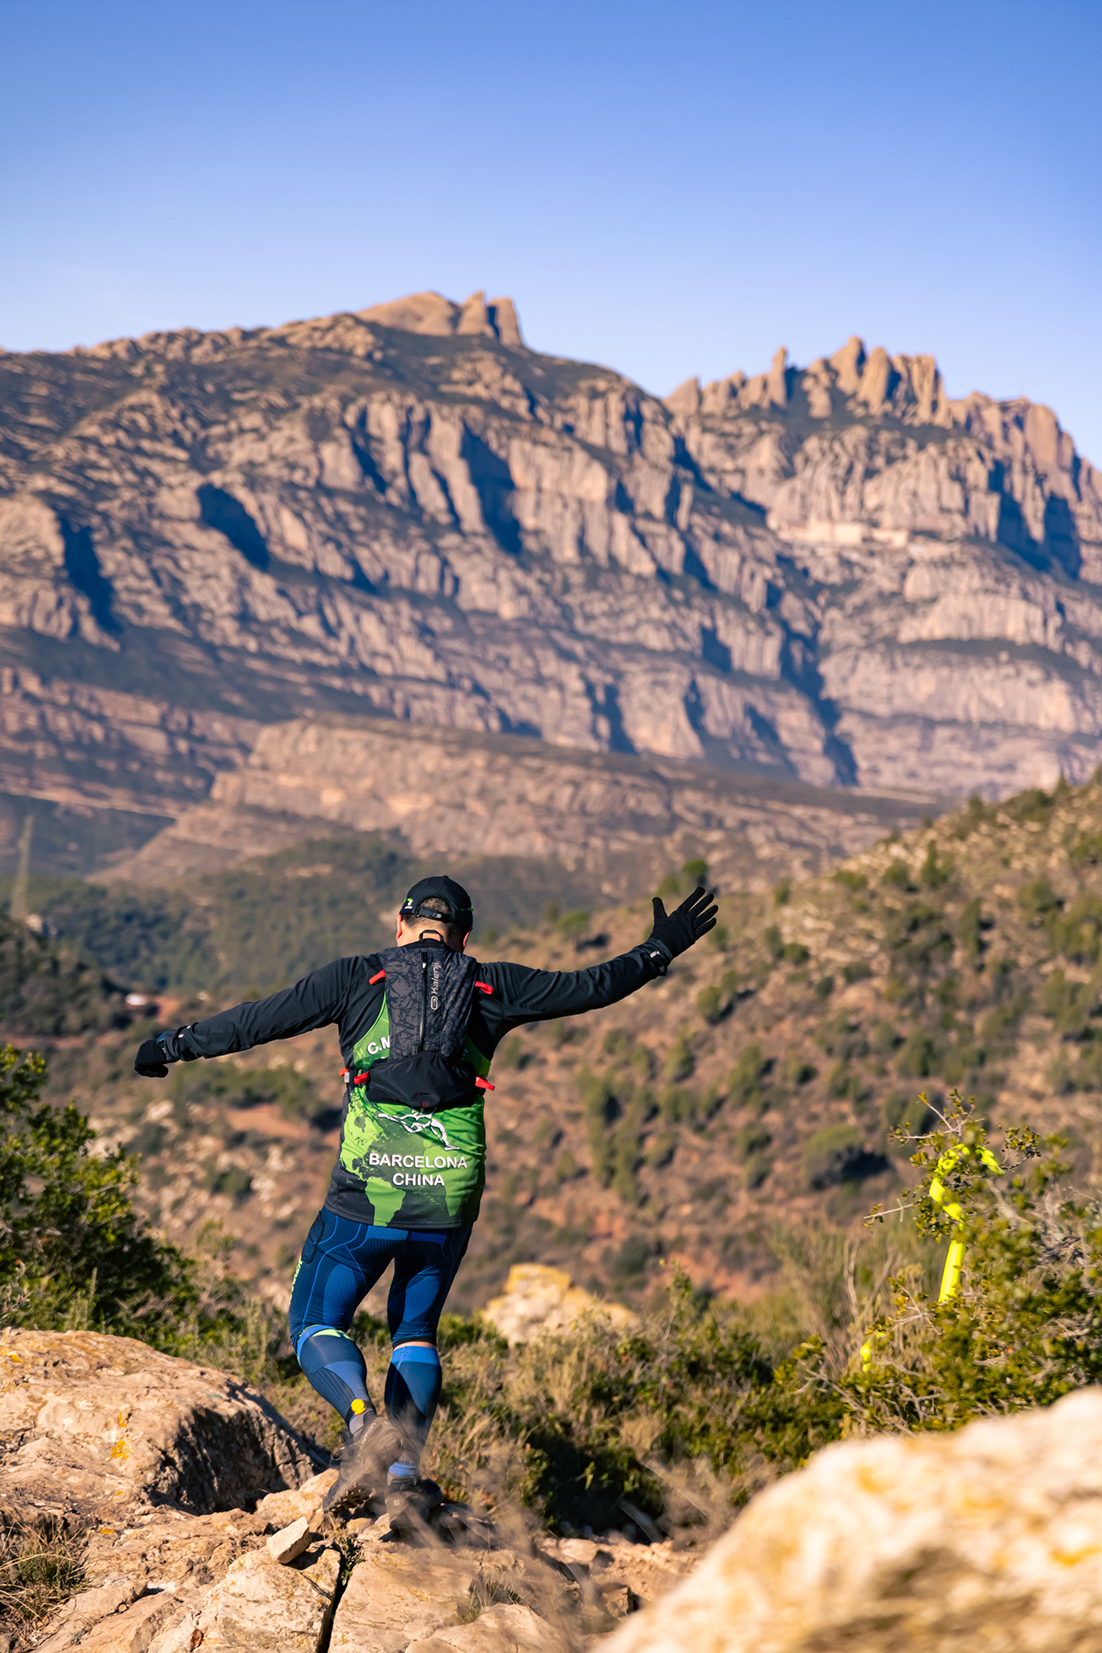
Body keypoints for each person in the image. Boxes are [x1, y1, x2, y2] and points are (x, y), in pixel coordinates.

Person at [135, 874, 716, 1527]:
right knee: (415, 1329)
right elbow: (593, 985)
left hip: (367, 1194)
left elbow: (255, 1020)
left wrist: (170, 1045)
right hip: (449, 1189)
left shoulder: (356, 977)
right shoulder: (494, 983)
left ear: (400, 924)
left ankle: (362, 1424)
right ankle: (405, 1474)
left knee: (315, 1321)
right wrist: (660, 949)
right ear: (464, 936)